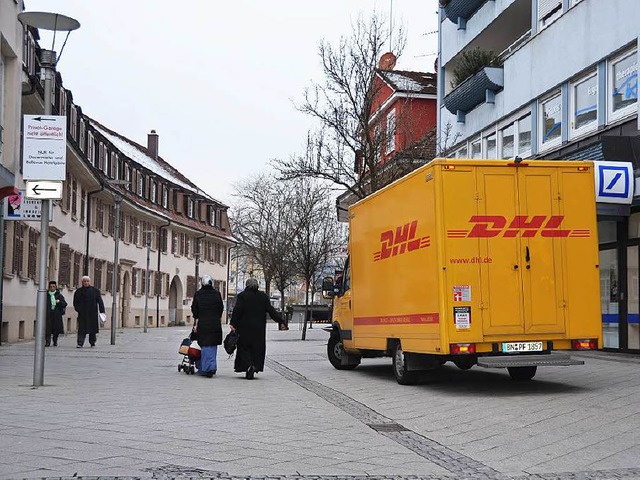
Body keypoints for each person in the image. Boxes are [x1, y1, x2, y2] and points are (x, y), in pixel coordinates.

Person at [230, 278, 286, 379]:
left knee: (244, 348)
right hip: (259, 329)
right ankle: (255, 365)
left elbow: (237, 310)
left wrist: (233, 323)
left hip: (244, 328)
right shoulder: (263, 296)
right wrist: (280, 320)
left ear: (247, 285)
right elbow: (271, 310)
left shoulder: (242, 296)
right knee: (257, 349)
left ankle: (248, 365)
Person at [191, 275, 224, 377]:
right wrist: (217, 317)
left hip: (203, 323)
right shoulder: (217, 294)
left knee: (204, 345)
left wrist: (197, 317)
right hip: (215, 324)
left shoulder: (198, 294)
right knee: (212, 346)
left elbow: (194, 309)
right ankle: (211, 366)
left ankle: (206, 368)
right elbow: (220, 308)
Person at [73, 275, 105, 348]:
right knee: (81, 329)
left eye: (87, 281)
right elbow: (75, 302)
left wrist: (102, 311)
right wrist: (78, 309)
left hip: (92, 313)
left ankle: (92, 342)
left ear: (89, 282)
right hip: (82, 313)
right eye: (84, 281)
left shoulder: (95, 291)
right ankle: (80, 343)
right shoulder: (78, 291)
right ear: (82, 282)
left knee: (92, 330)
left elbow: (100, 301)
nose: (86, 283)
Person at [45, 280, 67, 347]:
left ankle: (55, 341)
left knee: (56, 329)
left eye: (53, 286)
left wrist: (59, 302)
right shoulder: (46, 295)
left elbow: (65, 304)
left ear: (55, 287)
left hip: (56, 314)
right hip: (48, 314)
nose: (52, 288)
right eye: (51, 287)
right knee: (47, 329)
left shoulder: (59, 295)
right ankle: (47, 342)